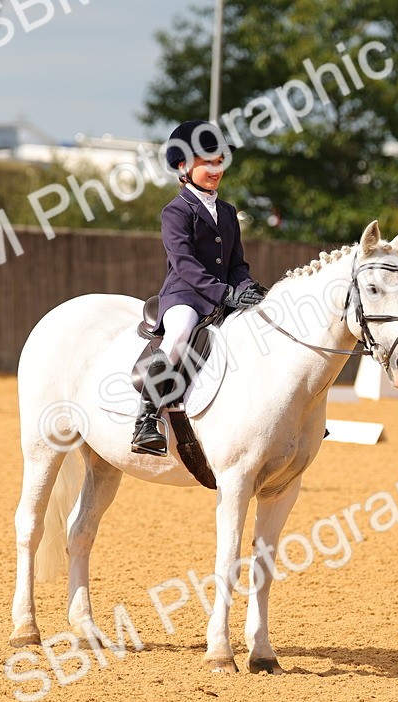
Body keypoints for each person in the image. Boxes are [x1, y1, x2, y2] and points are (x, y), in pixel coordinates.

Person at [132, 119, 267, 456]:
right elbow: (185, 264)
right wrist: (225, 294)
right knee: (179, 335)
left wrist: (248, 289)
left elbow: (236, 264)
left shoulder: (228, 211)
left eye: (219, 161)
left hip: (224, 294)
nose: (215, 168)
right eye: (206, 161)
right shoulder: (175, 211)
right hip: (185, 294)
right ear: (183, 165)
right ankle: (146, 420)